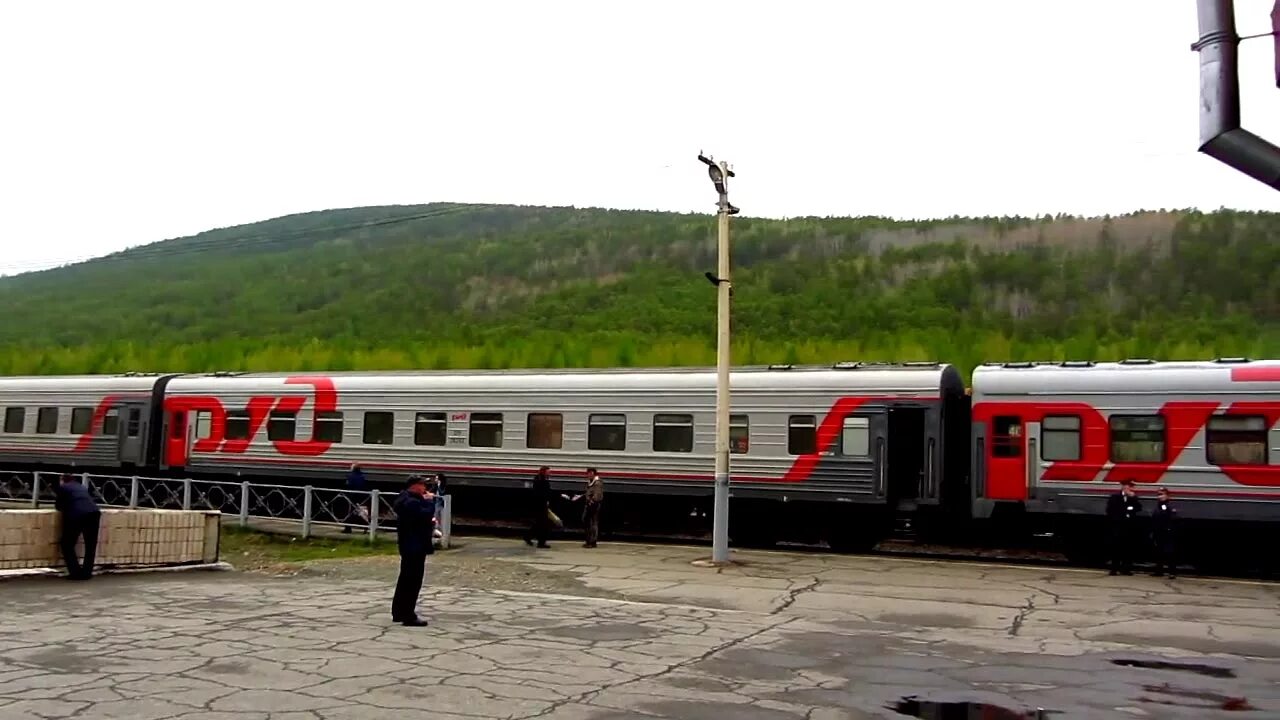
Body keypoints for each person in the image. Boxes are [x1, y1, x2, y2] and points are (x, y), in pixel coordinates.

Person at [390, 475, 435, 627]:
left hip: (408, 545)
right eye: (423, 486)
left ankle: (398, 612)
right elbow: (424, 515)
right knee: (413, 582)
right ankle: (408, 614)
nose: (425, 489)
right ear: (415, 486)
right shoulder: (411, 502)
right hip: (415, 546)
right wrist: (429, 502)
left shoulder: (404, 499)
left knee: (405, 580)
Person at [54, 474, 101, 580]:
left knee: (67, 544)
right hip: (94, 513)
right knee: (90, 545)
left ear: (62, 480)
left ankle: (75, 573)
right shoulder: (82, 487)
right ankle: (87, 573)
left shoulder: (63, 487)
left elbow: (58, 506)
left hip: (77, 514)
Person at [1105, 479, 1142, 576]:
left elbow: (1139, 508)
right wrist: (1124, 511)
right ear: (1123, 487)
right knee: (1116, 548)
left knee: (1128, 548)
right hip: (1118, 526)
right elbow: (1109, 510)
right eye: (1128, 486)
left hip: (1129, 526)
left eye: (1131, 487)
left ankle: (1126, 569)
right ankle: (1114, 569)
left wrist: (1133, 499)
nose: (1130, 488)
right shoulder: (1115, 497)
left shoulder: (1133, 497)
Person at [1150, 487, 1177, 579]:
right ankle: (1159, 571)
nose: (1160, 496)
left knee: (1169, 552)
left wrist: (1168, 530)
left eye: (1162, 494)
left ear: (1167, 496)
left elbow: (1172, 518)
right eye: (1158, 494)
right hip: (1158, 532)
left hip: (1166, 532)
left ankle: (1172, 572)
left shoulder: (1169, 506)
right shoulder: (1159, 505)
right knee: (1159, 552)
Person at [524, 466, 554, 548]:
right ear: (544, 472)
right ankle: (541, 543)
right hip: (541, 505)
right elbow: (544, 493)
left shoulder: (539, 479)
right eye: (548, 471)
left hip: (539, 505)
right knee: (543, 524)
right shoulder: (542, 481)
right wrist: (546, 501)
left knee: (539, 523)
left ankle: (528, 536)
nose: (549, 473)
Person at [578, 468, 604, 549]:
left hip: (593, 505)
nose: (589, 475)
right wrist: (581, 496)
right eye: (588, 473)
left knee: (592, 522)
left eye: (591, 473)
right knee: (589, 521)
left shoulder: (597, 483)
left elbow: (597, 494)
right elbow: (588, 492)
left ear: (594, 474)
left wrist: (591, 501)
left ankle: (592, 541)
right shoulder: (590, 482)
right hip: (589, 504)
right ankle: (590, 540)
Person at [342, 463, 368, 534]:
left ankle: (348, 528)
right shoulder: (362, 476)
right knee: (362, 511)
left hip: (352, 496)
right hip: (361, 496)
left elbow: (348, 486)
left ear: (353, 469)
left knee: (349, 511)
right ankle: (366, 527)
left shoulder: (350, 476)